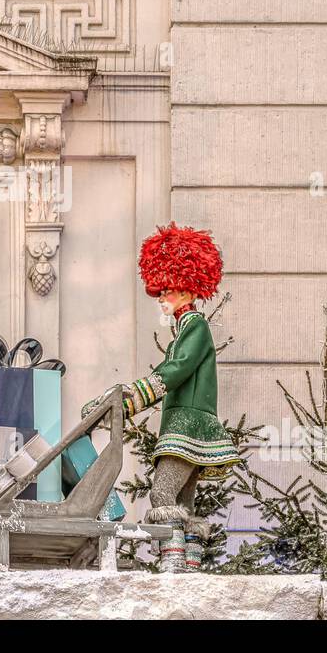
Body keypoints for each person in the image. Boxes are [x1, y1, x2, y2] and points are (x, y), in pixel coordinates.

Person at [93, 223, 239, 536]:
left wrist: (136, 392)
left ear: (185, 289)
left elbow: (178, 369)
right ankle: (187, 560)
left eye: (166, 291)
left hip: (186, 427)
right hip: (188, 426)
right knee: (184, 507)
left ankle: (172, 565)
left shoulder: (195, 326)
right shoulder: (186, 329)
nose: (161, 299)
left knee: (161, 495)